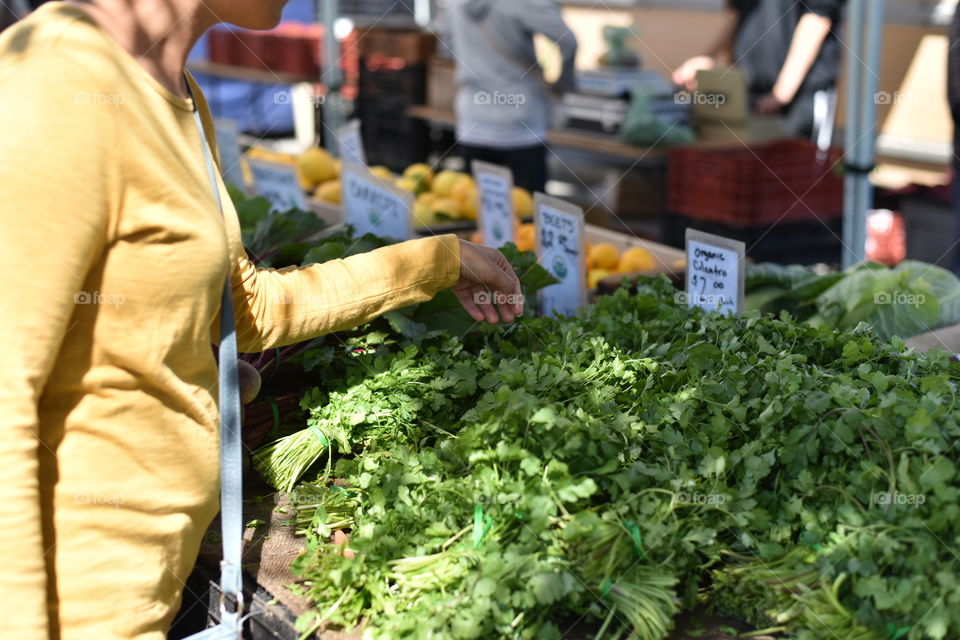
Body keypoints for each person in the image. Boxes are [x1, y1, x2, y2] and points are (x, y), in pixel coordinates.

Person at [0, 1, 525, 638]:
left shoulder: (178, 90)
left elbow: (249, 309)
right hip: (80, 602)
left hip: (151, 584)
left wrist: (438, 260)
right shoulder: (56, 80)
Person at [441, 0, 578, 194]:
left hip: (472, 122)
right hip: (521, 126)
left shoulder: (454, 4)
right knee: (527, 215)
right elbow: (568, 41)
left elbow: (446, 49)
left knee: (478, 211)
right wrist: (564, 85)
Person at [673, 0, 845, 138]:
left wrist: (781, 93)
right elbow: (736, 16)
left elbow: (817, 17)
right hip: (750, 91)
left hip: (800, 98)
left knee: (798, 170)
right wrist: (707, 59)